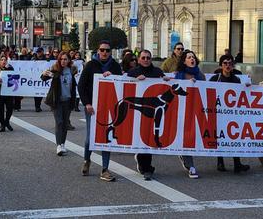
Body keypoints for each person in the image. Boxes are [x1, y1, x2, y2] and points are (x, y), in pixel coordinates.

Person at [78, 40, 122, 182]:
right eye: (102, 50)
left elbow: (122, 84)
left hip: (109, 106)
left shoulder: (115, 66)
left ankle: (105, 168)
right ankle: (87, 160)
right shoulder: (91, 65)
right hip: (93, 107)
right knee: (90, 138)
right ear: (98, 51)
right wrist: (87, 103)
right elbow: (81, 86)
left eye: (107, 50)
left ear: (110, 52)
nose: (104, 52)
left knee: (106, 138)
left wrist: (114, 77)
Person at [126, 50, 170, 180]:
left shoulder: (157, 72)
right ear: (139, 59)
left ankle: (147, 167)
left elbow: (165, 87)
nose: (146, 60)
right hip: (139, 110)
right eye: (143, 57)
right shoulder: (133, 72)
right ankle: (142, 163)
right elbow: (124, 85)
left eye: (148, 58)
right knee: (140, 136)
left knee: (149, 138)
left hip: (153, 110)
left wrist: (166, 80)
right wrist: (134, 80)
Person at [209, 54, 251, 174]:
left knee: (234, 136)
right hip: (219, 113)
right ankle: (220, 161)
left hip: (233, 114)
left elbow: (242, 95)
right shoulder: (215, 79)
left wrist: (247, 87)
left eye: (230, 63)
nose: (228, 65)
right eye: (225, 63)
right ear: (221, 65)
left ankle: (237, 163)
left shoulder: (237, 80)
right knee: (220, 136)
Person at [174, 49, 205, 179]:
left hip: (196, 110)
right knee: (186, 136)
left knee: (192, 136)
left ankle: (185, 157)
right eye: (188, 57)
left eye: (193, 57)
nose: (191, 59)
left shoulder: (200, 75)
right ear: (184, 61)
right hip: (182, 110)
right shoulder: (179, 75)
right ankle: (190, 165)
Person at [41, 51, 78, 156]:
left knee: (65, 123)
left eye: (65, 59)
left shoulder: (72, 70)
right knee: (59, 122)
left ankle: (62, 144)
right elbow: (44, 78)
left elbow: (73, 85)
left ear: (69, 60)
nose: (63, 61)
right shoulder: (55, 69)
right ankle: (58, 145)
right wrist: (44, 74)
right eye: (61, 59)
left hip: (68, 100)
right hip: (57, 101)